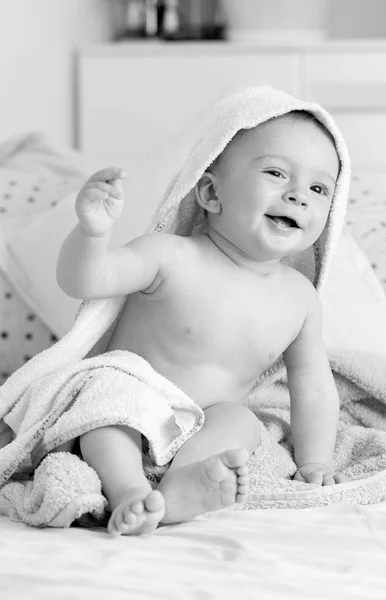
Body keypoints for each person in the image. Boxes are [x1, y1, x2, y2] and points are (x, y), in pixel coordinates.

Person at [56, 109, 347, 536]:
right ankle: (130, 491)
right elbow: (83, 280)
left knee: (241, 422)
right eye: (276, 173)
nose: (299, 196)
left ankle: (182, 489)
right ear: (211, 193)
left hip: (203, 423)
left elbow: (314, 387)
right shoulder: (169, 256)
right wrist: (91, 234)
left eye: (319, 188)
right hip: (131, 406)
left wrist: (315, 462)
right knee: (105, 404)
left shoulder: (300, 298)